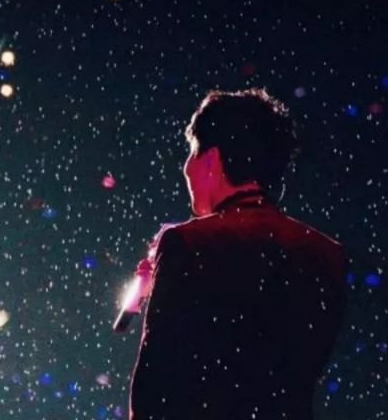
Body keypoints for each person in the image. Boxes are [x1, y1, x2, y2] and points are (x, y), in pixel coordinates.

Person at [129, 88, 348, 420]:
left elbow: (154, 389)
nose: (186, 168)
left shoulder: (186, 244)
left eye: (192, 153)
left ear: (212, 159)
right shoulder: (328, 254)